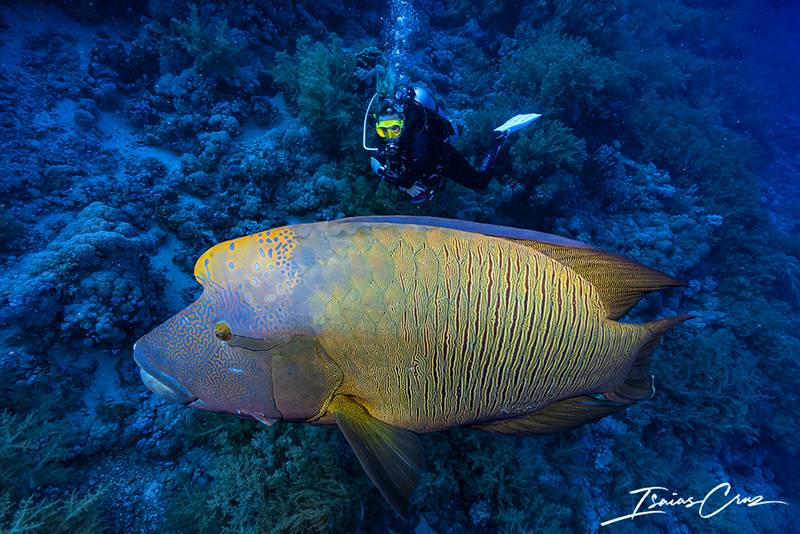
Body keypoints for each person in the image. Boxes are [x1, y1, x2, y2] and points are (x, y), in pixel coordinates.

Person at [370, 87, 509, 203]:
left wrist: (403, 186)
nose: (389, 136)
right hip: (420, 166)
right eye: (383, 130)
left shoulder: (418, 135)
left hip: (442, 158)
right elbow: (374, 160)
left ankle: (498, 139)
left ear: (403, 122)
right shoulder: (384, 131)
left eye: (395, 129)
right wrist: (398, 182)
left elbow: (411, 175)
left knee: (480, 183)